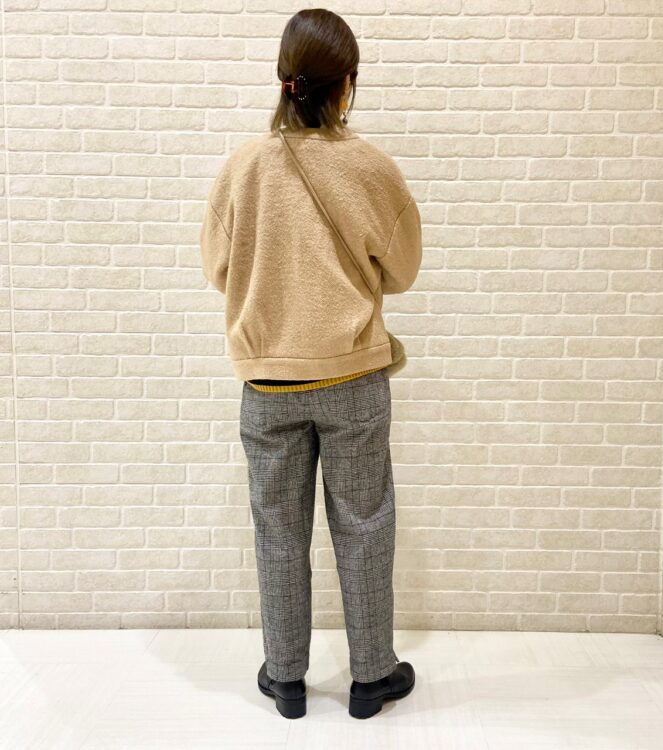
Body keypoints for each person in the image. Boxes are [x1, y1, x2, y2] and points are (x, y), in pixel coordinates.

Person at [198, 8, 422, 720]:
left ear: (284, 79)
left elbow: (217, 268)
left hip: (268, 382)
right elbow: (403, 270)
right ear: (346, 83)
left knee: (278, 531)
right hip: (352, 377)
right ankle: (372, 676)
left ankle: (287, 678)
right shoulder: (371, 168)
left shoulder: (243, 168)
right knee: (365, 525)